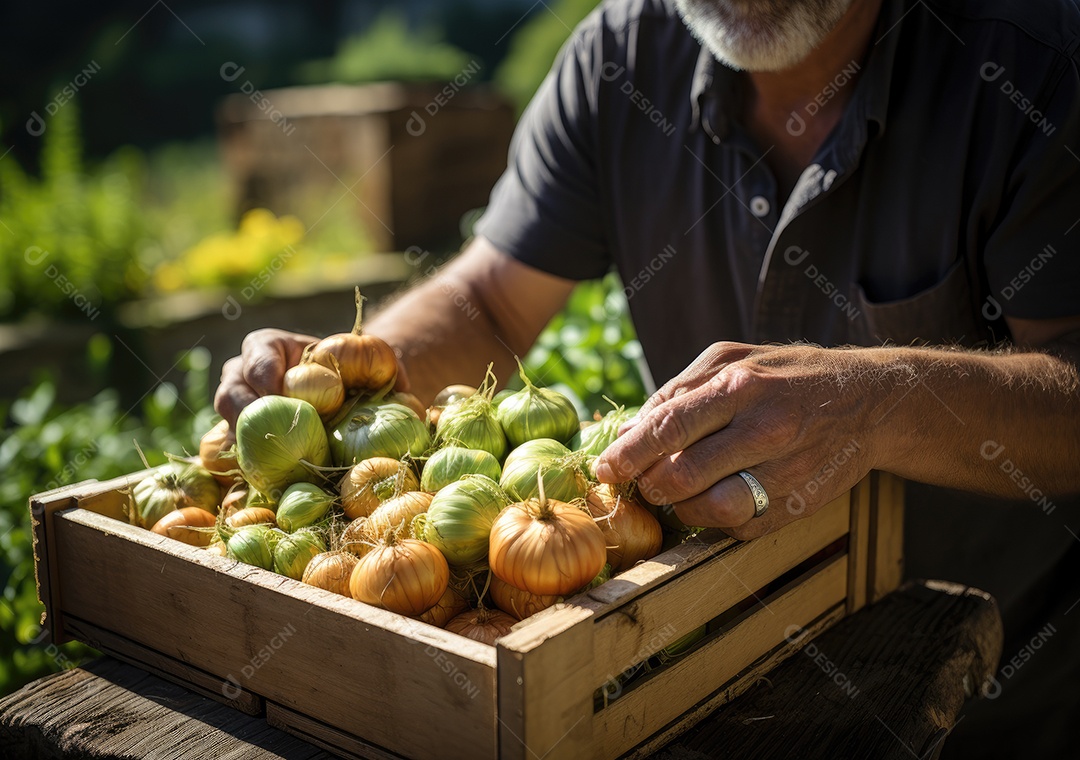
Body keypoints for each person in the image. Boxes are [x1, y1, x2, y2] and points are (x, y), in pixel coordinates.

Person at [215, 0, 1080, 755]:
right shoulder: (615, 62)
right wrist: (354, 374)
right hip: (699, 689)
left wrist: (883, 399)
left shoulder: (1034, 60)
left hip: (995, 689)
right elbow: (489, 298)